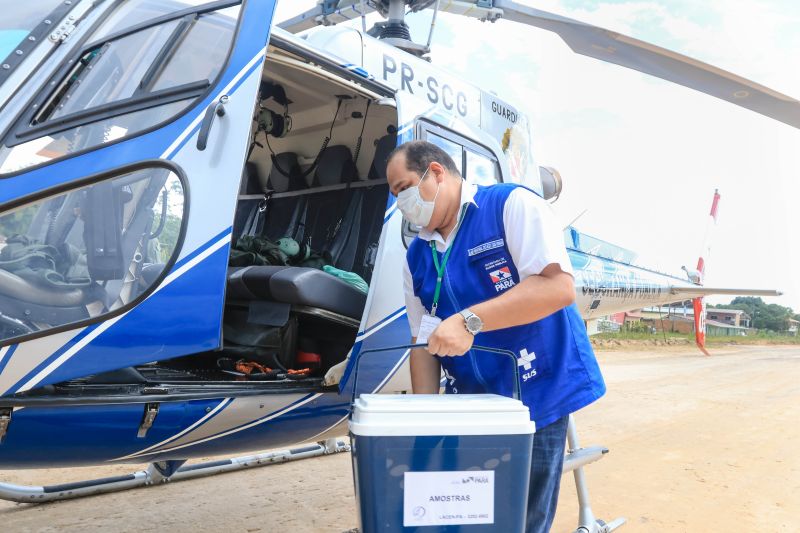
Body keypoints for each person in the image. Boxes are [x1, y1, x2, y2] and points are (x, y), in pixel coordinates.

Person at [385, 140, 606, 533]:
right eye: (394, 195)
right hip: (473, 405)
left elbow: (557, 288)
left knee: (522, 517)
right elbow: (424, 343)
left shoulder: (510, 206)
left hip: (535, 395)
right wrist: (426, 421)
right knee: (467, 514)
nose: (400, 202)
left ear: (435, 172)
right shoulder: (416, 255)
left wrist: (469, 320)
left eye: (403, 188)